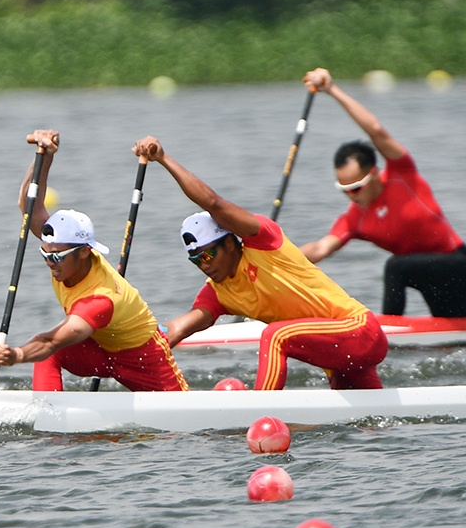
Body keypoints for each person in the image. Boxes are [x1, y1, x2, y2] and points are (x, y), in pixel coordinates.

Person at [135, 135, 388, 391]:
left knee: (275, 335)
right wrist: (126, 351)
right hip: (337, 360)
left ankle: (259, 411)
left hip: (361, 332)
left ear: (230, 243)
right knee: (369, 426)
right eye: (196, 260)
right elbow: (176, 329)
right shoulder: (218, 293)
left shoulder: (263, 243)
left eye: (208, 255)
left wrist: (164, 159)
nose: (204, 265)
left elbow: (213, 203)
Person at [0, 131, 188, 392]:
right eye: (45, 254)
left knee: (46, 347)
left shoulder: (100, 299)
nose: (50, 262)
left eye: (56, 256)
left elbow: (49, 341)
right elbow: (29, 207)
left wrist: (17, 355)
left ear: (84, 252)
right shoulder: (62, 247)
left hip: (143, 356)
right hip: (99, 349)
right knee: (48, 356)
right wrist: (45, 156)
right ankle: (49, 419)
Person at [295, 68, 466, 317]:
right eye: (344, 191)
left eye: (357, 188)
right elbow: (319, 249)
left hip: (462, 267)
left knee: (395, 267)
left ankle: (387, 338)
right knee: (457, 338)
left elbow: (375, 130)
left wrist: (331, 90)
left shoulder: (401, 174)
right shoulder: (355, 219)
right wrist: (272, 260)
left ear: (373, 173)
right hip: (430, 281)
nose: (352, 196)